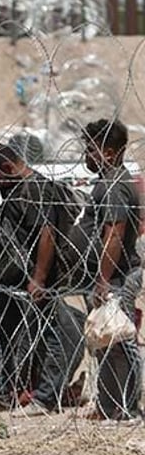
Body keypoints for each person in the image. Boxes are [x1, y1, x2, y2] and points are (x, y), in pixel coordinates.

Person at [0, 143, 85, 415]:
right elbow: (4, 230)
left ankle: (45, 397)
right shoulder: (15, 190)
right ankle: (1, 394)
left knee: (51, 334)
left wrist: (38, 277)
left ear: (7, 168)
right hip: (13, 281)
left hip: (36, 279)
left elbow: (46, 232)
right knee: (2, 333)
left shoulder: (35, 189)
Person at [82, 119, 142, 420]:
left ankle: (128, 408)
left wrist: (103, 280)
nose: (85, 154)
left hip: (116, 276)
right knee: (106, 342)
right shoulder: (109, 182)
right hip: (109, 275)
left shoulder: (115, 186)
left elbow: (115, 234)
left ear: (107, 152)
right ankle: (110, 406)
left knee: (121, 341)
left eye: (90, 149)